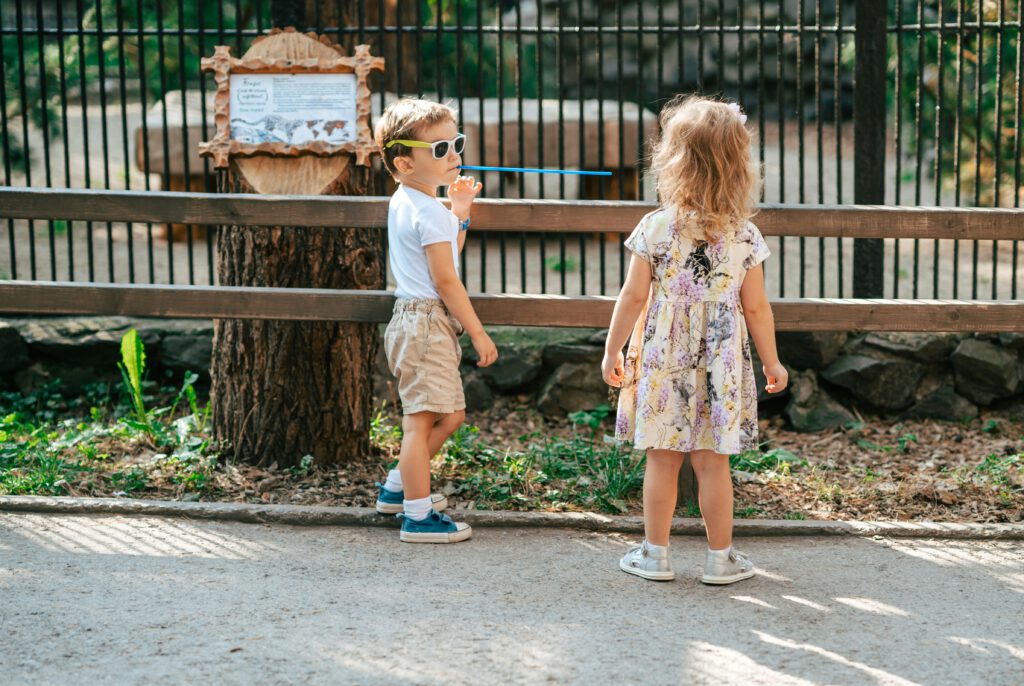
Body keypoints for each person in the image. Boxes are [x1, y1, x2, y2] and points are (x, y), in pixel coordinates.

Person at [601, 95, 788, 584]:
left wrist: (613, 348)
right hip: (721, 358)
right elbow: (756, 308)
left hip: (665, 355)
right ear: (739, 167)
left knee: (662, 459)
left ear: (673, 160)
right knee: (712, 463)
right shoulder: (743, 235)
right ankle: (720, 558)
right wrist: (772, 361)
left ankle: (655, 555)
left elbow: (633, 296)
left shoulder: (656, 228)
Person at [373, 98, 498, 543]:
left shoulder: (407, 201)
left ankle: (398, 489)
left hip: (413, 321)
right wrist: (479, 332)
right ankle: (417, 515)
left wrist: (458, 212)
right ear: (404, 162)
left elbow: (444, 259)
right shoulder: (427, 211)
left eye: (456, 143)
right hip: (427, 323)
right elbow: (447, 281)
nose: (455, 156)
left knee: (447, 416)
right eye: (439, 149)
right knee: (423, 421)